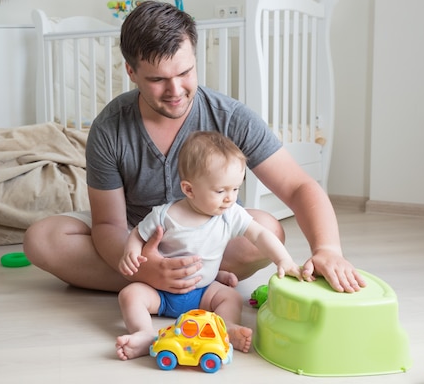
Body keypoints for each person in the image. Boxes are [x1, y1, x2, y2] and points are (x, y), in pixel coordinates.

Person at [23, 0, 364, 303]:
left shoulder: (230, 116)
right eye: (158, 79)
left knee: (268, 229)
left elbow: (298, 186)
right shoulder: (110, 127)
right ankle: (192, 283)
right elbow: (109, 224)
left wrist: (328, 250)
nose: (175, 91)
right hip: (137, 235)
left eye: (185, 72)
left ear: (194, 58)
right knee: (42, 239)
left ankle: (174, 283)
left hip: (210, 235)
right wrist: (145, 267)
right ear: (131, 72)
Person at [115, 131, 303, 360]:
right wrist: (131, 251)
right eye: (221, 191)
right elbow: (137, 234)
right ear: (189, 189)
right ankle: (144, 333)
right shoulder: (164, 215)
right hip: (161, 293)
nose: (230, 198)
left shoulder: (230, 214)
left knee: (230, 297)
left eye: (235, 189)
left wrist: (283, 260)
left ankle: (226, 328)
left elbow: (260, 234)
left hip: (204, 292)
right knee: (130, 295)